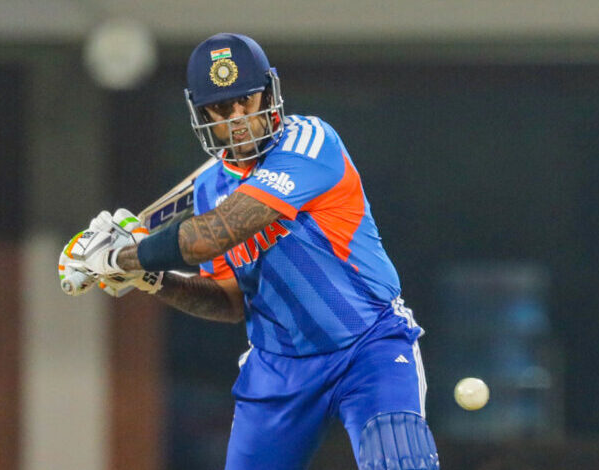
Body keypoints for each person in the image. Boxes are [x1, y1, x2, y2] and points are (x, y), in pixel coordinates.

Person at [63, 32, 440, 470]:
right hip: (277, 366)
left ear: (269, 94)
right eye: (223, 108)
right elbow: (229, 302)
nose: (239, 117)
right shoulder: (208, 189)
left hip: (367, 345)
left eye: (247, 99)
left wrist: (119, 257)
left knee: (400, 459)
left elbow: (214, 234)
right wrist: (151, 279)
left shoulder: (311, 142)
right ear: (203, 113)